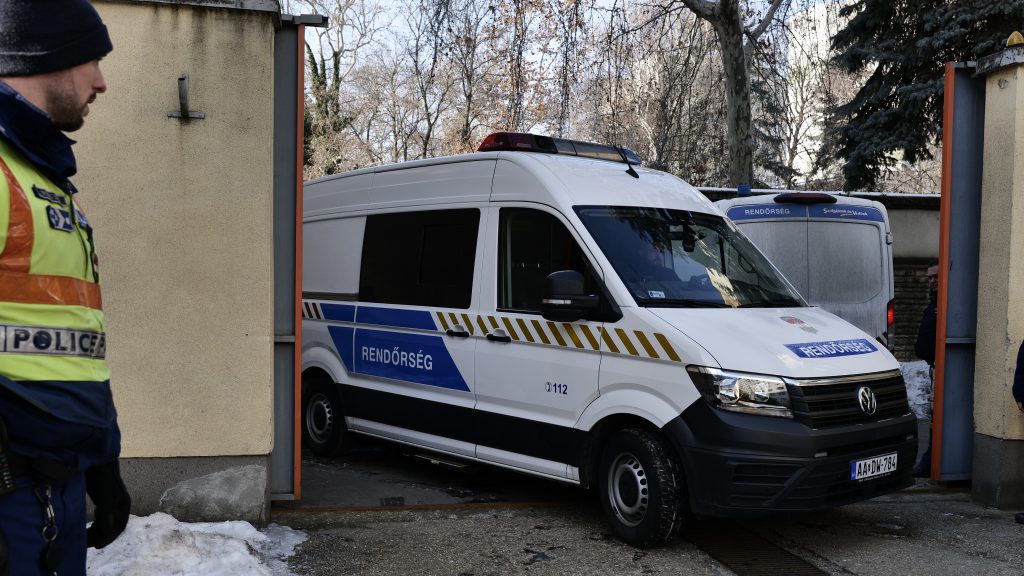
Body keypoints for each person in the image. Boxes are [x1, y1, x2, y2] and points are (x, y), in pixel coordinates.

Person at [0, 2, 131, 575]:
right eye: (91, 61)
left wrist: (103, 462)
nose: (101, 82)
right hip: (11, 486)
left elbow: (78, 345)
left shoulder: (42, 179)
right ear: (43, 56)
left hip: (55, 480)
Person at [913, 261, 939, 477]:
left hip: (943, 369)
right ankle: (929, 461)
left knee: (936, 417)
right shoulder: (933, 305)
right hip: (934, 367)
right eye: (930, 277)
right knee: (934, 416)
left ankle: (930, 462)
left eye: (936, 277)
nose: (932, 281)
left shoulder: (944, 305)